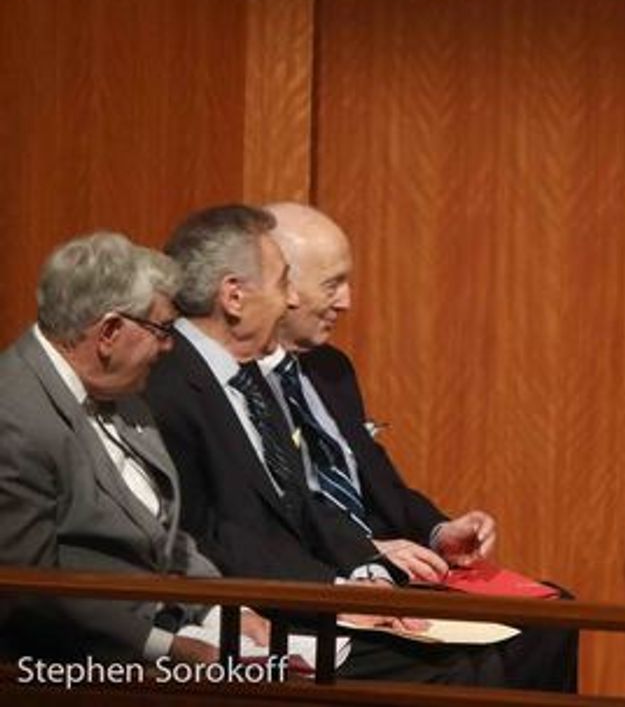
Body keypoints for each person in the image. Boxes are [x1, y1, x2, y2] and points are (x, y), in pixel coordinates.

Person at [143, 204, 503, 685]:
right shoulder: (167, 385)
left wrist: (366, 579)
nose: (291, 300)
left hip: (306, 590)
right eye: (281, 283)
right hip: (240, 613)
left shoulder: (245, 378)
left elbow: (303, 505)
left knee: (491, 651)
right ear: (233, 296)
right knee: (456, 672)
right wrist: (337, 592)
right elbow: (208, 536)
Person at [260, 201, 577, 692]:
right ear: (282, 287)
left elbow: (382, 484)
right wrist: (366, 553)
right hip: (323, 578)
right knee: (470, 669)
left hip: (398, 566)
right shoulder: (241, 389)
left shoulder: (331, 370)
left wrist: (439, 531)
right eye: (332, 284)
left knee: (553, 617)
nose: (347, 301)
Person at [0, 232, 266, 663]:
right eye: (162, 330)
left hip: (182, 632)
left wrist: (225, 610)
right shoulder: (13, 417)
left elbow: (165, 535)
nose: (169, 346)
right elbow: (28, 593)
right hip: (76, 665)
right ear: (108, 332)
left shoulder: (125, 394)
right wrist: (165, 649)